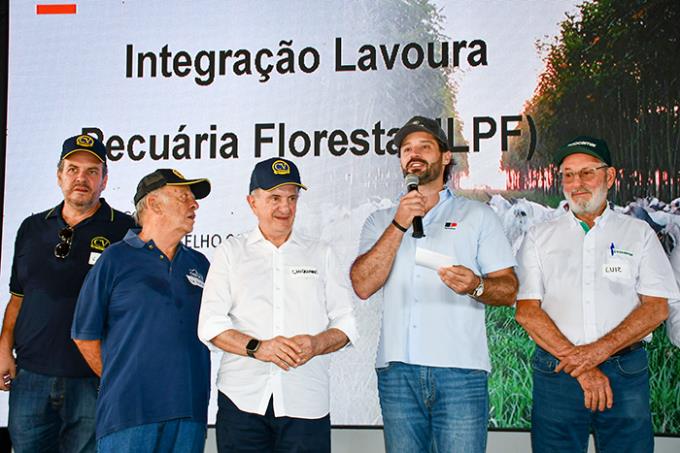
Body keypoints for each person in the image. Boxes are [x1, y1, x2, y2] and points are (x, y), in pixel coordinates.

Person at [350, 116, 518, 453]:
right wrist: (399, 224)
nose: (413, 154)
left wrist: (476, 285)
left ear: (444, 157)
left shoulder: (478, 216)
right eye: (406, 149)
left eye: (424, 147)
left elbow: (509, 289)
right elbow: (363, 285)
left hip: (460, 372)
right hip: (398, 373)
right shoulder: (381, 219)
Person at [515, 136, 679, 452]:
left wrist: (595, 354)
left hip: (624, 374)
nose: (577, 183)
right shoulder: (538, 237)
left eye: (587, 172)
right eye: (568, 174)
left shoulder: (638, 233)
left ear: (610, 176)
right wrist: (584, 365)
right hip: (558, 374)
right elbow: (527, 311)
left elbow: (656, 308)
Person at [198, 157, 358, 453]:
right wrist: (259, 348)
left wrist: (316, 343)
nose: (284, 208)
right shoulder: (231, 252)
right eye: (274, 198)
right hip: (242, 400)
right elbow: (210, 324)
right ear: (252, 202)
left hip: (306, 403)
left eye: (291, 198)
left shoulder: (320, 252)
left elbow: (346, 325)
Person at [0, 134, 134, 452]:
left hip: (92, 379)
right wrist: (4, 347)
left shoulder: (126, 231)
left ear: (104, 180)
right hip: (31, 376)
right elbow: (18, 297)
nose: (81, 179)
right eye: (73, 169)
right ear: (59, 175)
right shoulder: (31, 228)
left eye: (91, 171)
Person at [71, 169, 212, 453]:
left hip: (189, 413)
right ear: (154, 204)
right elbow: (84, 336)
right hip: (129, 416)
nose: (194, 204)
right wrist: (124, 382)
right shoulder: (115, 259)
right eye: (184, 196)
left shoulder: (201, 263)